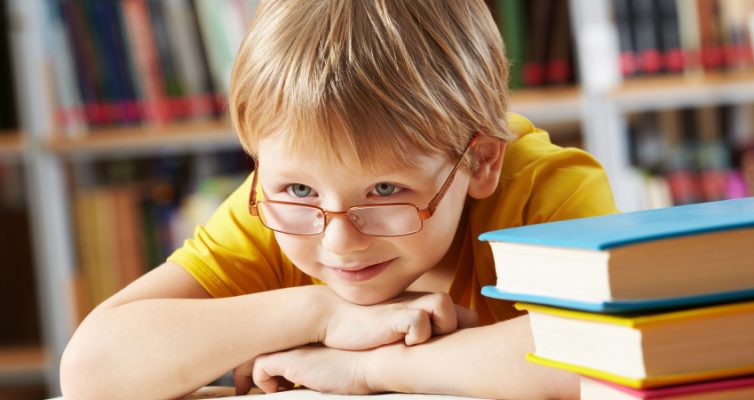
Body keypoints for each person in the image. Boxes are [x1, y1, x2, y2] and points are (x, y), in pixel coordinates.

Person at [60, 1, 619, 399]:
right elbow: (93, 368)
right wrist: (322, 314)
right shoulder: (279, 208)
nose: (338, 241)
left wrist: (372, 369)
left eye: (385, 190)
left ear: (480, 162)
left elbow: (609, 355)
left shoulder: (546, 191)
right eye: (298, 188)